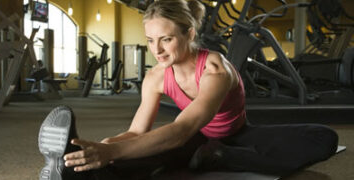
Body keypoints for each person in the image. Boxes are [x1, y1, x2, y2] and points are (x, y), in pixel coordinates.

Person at [38, 0, 338, 179]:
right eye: (150, 40)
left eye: (166, 39)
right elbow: (137, 132)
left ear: (189, 33)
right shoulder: (155, 77)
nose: (157, 49)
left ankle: (223, 157)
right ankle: (73, 165)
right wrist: (104, 144)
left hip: (236, 133)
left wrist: (114, 149)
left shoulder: (215, 70)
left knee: (323, 137)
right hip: (198, 140)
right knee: (139, 154)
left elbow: (182, 129)